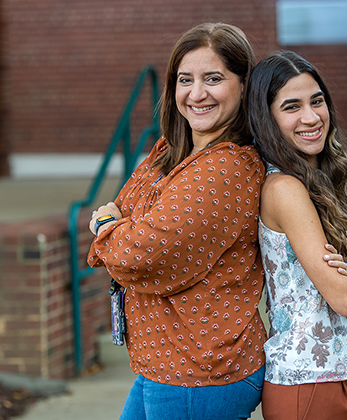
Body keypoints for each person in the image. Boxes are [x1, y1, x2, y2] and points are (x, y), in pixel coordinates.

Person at [86, 23, 267, 420]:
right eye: (185, 80)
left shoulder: (226, 168)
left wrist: (107, 228)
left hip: (200, 372)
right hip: (165, 362)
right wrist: (121, 225)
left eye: (213, 79)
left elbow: (139, 255)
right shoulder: (171, 148)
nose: (196, 93)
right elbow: (124, 209)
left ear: (244, 84)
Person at [247, 50, 347, 420]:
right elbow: (346, 297)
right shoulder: (283, 188)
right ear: (266, 118)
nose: (310, 117)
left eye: (316, 101)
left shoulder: (337, 168)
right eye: (291, 107)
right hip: (310, 385)